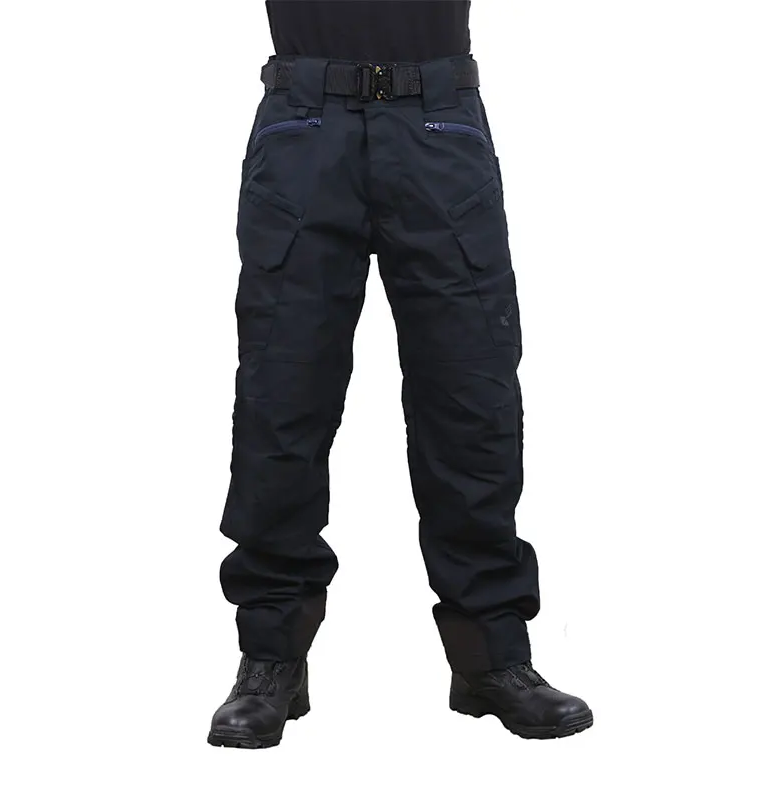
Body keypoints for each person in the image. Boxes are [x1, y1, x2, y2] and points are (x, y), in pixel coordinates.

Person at [208, 0, 592, 749]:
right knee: (281, 396)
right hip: (305, 120)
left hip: (436, 118)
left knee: (471, 395)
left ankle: (491, 657)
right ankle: (270, 657)